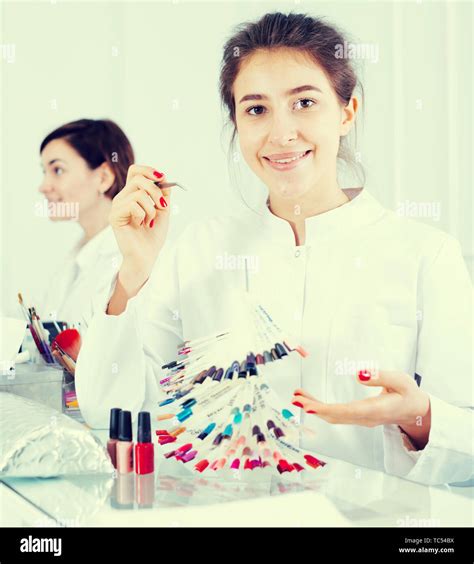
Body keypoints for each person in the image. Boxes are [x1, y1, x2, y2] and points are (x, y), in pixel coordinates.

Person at [75, 13, 472, 486]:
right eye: (256, 109)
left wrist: (421, 418)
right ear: (237, 123)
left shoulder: (427, 255)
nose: (281, 133)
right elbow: (111, 409)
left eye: (304, 102)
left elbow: (466, 453)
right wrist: (132, 275)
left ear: (347, 113)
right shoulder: (200, 249)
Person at [37, 118, 134, 326]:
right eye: (44, 172)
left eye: (58, 170)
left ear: (103, 177)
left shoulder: (128, 260)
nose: (43, 186)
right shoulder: (74, 258)